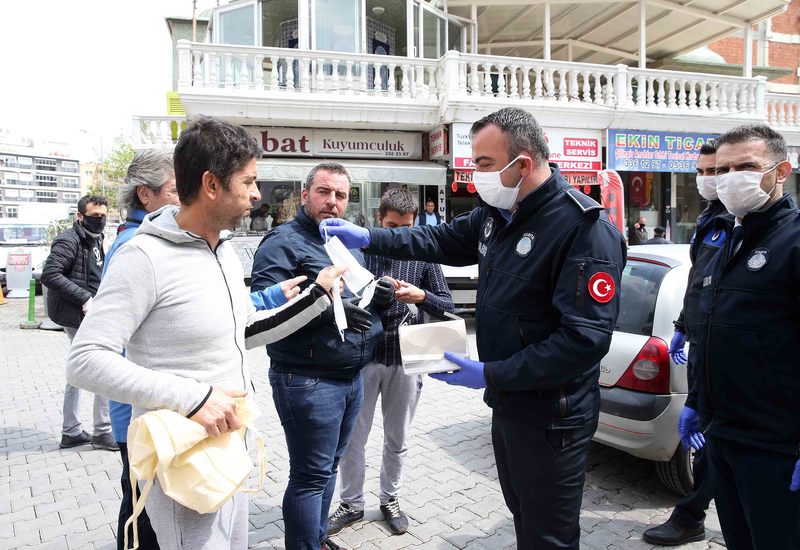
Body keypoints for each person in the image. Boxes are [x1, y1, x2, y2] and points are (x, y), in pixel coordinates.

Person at [320, 107, 626, 549]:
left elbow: (584, 340)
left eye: (483, 164)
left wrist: (490, 373)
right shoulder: (499, 213)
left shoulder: (583, 229)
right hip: (510, 404)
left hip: (552, 416)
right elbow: (437, 239)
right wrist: (370, 237)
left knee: (550, 536)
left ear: (522, 164)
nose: (475, 175)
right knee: (525, 518)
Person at [66, 116, 344, 550]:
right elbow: (85, 360)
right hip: (184, 460)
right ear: (211, 184)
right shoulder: (143, 256)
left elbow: (242, 331)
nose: (257, 194)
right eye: (248, 181)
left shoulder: (224, 250)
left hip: (230, 446)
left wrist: (317, 296)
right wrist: (192, 398)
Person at [250, 162, 395, 550]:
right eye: (324, 192)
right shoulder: (282, 242)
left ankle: (315, 538)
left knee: (328, 468)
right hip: (307, 379)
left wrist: (378, 298)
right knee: (309, 477)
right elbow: (265, 311)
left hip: (350, 376)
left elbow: (355, 297)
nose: (332, 202)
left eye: (341, 195)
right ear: (305, 195)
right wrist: (329, 309)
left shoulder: (342, 242)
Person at [679, 124, 800, 549]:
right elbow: (715, 330)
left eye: (745, 166)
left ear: (780, 171)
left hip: (776, 446)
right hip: (723, 435)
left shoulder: (793, 241)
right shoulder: (728, 238)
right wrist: (696, 401)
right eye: (722, 169)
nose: (730, 178)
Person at [328, 188, 454, 536]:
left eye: (407, 228)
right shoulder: (359, 254)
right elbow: (337, 300)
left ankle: (390, 499)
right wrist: (366, 299)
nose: (399, 235)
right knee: (353, 438)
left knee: (397, 438)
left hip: (407, 361)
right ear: (379, 220)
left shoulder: (424, 255)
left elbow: (447, 304)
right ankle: (351, 503)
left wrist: (421, 296)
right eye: (392, 227)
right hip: (363, 359)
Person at [643, 139, 732, 546]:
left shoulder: (742, 224)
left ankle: (692, 513)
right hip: (701, 344)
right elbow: (699, 283)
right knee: (710, 435)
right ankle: (697, 514)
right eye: (701, 171)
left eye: (716, 171)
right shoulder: (711, 218)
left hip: (727, 351)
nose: (707, 179)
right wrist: (682, 325)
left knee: (718, 437)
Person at [103, 150, 179, 550]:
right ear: (145, 195)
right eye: (174, 190)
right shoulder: (136, 246)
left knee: (140, 506)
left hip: (142, 408)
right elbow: (109, 345)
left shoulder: (140, 239)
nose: (182, 199)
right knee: (142, 514)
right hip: (137, 411)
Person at [42, 194, 117, 452]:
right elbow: (50, 274)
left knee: (80, 369)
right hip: (78, 314)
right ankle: (102, 430)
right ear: (80, 216)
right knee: (102, 366)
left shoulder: (96, 238)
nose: (100, 221)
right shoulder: (69, 240)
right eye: (95, 216)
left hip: (92, 314)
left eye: (103, 216)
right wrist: (85, 298)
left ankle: (72, 430)